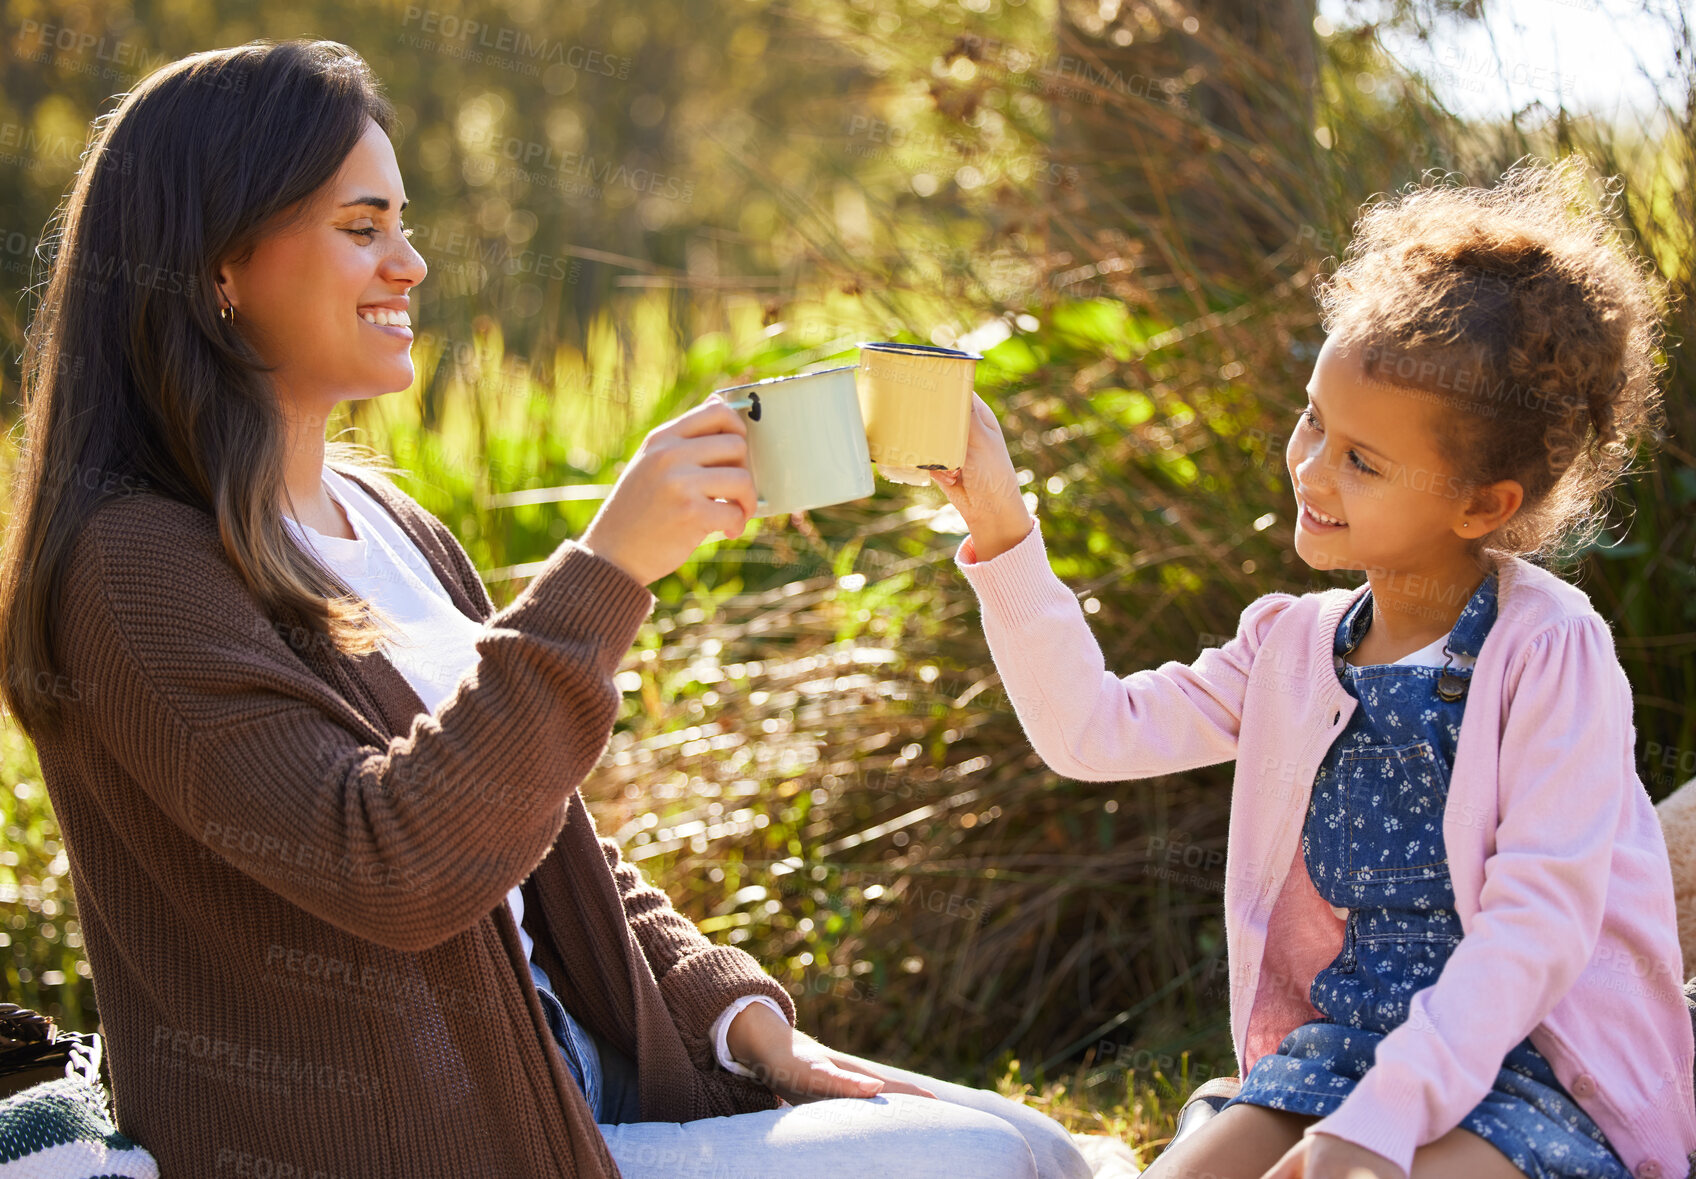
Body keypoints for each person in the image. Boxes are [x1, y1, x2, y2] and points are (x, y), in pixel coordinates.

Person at [0, 38, 1088, 1179]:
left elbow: (546, 843)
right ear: (218, 268)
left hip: (564, 1075)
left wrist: (742, 1023)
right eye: (362, 228)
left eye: (404, 225)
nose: (410, 264)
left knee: (1035, 1143)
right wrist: (608, 569)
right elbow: (391, 865)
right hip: (431, 1136)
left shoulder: (387, 523)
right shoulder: (134, 569)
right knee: (992, 1164)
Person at [929, 157, 1696, 1179]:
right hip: (1339, 1051)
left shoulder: (1550, 650)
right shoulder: (1290, 645)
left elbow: (1537, 929)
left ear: (1483, 506)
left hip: (1532, 1062)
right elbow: (1091, 732)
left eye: (1361, 460)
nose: (1309, 467)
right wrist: (1001, 526)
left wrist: (1379, 1130)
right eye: (1312, 421)